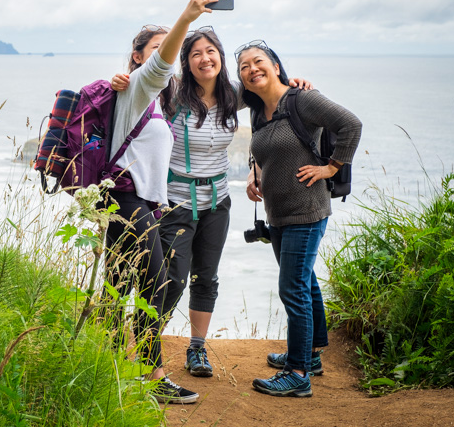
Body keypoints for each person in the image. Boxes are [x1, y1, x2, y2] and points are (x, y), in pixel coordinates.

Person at [111, 30, 312, 381]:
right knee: (170, 279)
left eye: (211, 51)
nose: (205, 58)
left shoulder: (234, 95)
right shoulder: (172, 94)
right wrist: (123, 79)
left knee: (207, 278)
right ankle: (147, 344)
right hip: (175, 200)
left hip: (218, 200)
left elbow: (270, 95)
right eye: (196, 54)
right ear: (186, 63)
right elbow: (143, 82)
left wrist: (291, 82)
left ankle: (197, 347)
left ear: (220, 56)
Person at [103, 0, 218, 405]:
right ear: (139, 58)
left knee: (118, 284)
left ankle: (106, 369)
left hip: (131, 202)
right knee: (157, 280)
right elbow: (162, 63)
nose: (165, 56)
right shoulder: (139, 85)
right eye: (156, 49)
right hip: (125, 200)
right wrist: (185, 19)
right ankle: (152, 375)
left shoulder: (154, 99)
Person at [236, 39, 361, 397]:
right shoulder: (259, 111)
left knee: (292, 288)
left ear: (276, 65)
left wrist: (330, 168)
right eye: (244, 67)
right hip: (278, 213)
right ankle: (309, 355)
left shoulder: (302, 99)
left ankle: (297, 373)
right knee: (304, 282)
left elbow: (351, 125)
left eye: (258, 61)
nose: (251, 69)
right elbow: (259, 149)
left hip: (306, 211)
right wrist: (252, 173)